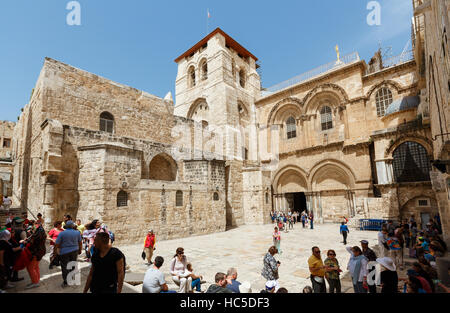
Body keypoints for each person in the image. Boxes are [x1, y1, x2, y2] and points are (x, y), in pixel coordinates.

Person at [55, 220, 82, 288]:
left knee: (64, 266)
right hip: (74, 250)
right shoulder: (77, 233)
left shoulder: (62, 233)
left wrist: (56, 251)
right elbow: (80, 242)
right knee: (73, 264)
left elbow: (57, 243)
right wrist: (80, 250)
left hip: (64, 251)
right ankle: (71, 277)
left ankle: (66, 281)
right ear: (73, 226)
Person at [23, 224, 47, 289]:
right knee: (35, 267)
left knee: (30, 268)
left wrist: (24, 242)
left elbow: (30, 244)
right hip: (40, 253)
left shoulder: (36, 238)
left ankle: (35, 282)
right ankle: (36, 280)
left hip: (35, 254)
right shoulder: (42, 236)